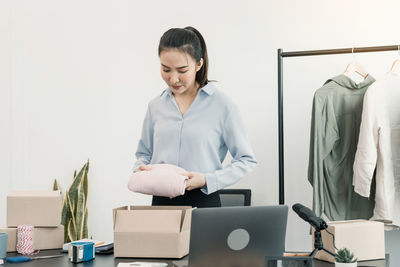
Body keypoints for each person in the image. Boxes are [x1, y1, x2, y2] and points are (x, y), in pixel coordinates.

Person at [133, 26, 257, 208]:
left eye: (182, 70)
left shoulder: (222, 105)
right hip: (161, 204)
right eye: (166, 69)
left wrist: (207, 179)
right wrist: (141, 168)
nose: (173, 79)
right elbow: (144, 154)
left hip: (204, 201)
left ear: (198, 64)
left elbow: (246, 160)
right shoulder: (155, 106)